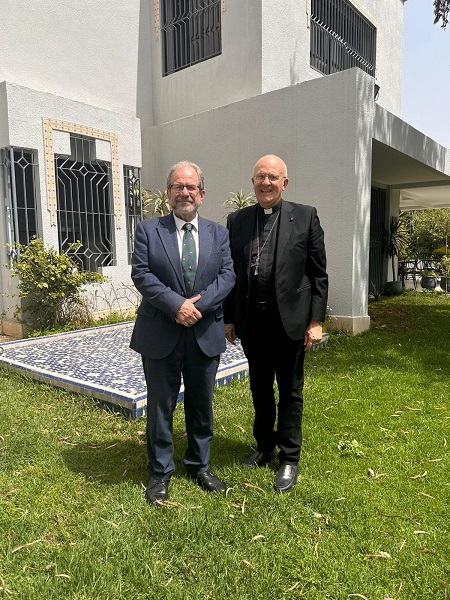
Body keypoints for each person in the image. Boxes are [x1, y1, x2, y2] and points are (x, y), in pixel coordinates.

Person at [130, 161, 235, 504]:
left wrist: (197, 308)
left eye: (191, 187)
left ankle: (199, 466)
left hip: (204, 332)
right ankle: (160, 473)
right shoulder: (148, 230)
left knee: (201, 403)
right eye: (178, 186)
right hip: (160, 331)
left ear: (202, 194)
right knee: (161, 406)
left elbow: (228, 276)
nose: (184, 192)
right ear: (168, 193)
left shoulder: (219, 234)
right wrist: (177, 306)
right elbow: (142, 274)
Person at [224, 154, 328, 493]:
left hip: (291, 322)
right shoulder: (238, 220)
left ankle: (289, 457)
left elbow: (318, 273)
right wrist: (229, 318)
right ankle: (265, 446)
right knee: (259, 388)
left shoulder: (305, 216)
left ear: (284, 183)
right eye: (260, 177)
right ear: (252, 182)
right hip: (253, 323)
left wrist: (316, 320)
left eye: (272, 177)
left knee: (290, 391)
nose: (265, 183)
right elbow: (231, 273)